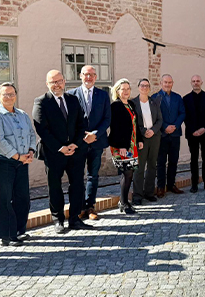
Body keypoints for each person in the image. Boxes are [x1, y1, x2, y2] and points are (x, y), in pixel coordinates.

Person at [33, 70, 92, 233]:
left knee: (77, 185)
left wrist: (75, 144)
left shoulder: (73, 100)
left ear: (64, 81)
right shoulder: (41, 102)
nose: (57, 85)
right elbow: (42, 129)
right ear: (47, 84)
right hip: (53, 152)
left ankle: (75, 219)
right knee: (55, 187)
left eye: (59, 81)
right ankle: (58, 220)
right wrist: (60, 147)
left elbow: (82, 124)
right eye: (53, 82)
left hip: (75, 151)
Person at [0, 82, 38, 246]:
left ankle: (18, 231)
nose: (9, 97)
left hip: (22, 162)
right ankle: (6, 235)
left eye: (12, 94)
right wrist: (17, 156)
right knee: (4, 199)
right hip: (4, 162)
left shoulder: (22, 114)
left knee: (22, 198)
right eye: (5, 94)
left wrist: (31, 151)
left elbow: (31, 134)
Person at [68, 66, 111, 221]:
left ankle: (90, 206)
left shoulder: (103, 95)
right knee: (77, 176)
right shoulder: (71, 94)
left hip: (96, 142)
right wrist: (82, 136)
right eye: (86, 74)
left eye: (92, 75)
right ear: (80, 76)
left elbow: (107, 118)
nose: (89, 77)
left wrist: (95, 134)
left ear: (96, 77)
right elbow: (70, 120)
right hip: (79, 143)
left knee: (93, 175)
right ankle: (79, 207)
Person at [108, 79, 144, 215]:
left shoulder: (131, 104)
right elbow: (116, 128)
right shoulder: (115, 106)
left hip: (131, 145)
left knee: (130, 173)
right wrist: (121, 146)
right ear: (117, 91)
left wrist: (139, 139)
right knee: (126, 172)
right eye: (123, 89)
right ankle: (123, 202)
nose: (126, 91)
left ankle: (124, 201)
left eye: (128, 89)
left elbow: (135, 124)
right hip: (121, 146)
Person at [132, 79, 163, 204]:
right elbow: (133, 122)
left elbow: (160, 120)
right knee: (139, 167)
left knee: (152, 165)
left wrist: (153, 130)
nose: (144, 88)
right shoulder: (133, 103)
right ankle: (137, 195)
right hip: (141, 138)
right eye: (142, 85)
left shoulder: (154, 102)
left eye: (147, 86)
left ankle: (149, 193)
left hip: (154, 137)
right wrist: (144, 131)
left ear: (149, 88)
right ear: (138, 87)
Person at [154, 74, 186, 197]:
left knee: (173, 161)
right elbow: (154, 116)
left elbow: (182, 113)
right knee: (161, 162)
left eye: (169, 82)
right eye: (165, 82)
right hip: (161, 135)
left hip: (175, 134)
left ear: (172, 83)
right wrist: (165, 126)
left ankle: (171, 184)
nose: (167, 84)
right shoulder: (155, 98)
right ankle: (161, 187)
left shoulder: (178, 97)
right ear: (161, 83)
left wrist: (175, 126)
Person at [183, 75, 205, 192]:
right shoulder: (185, 99)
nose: (195, 83)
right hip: (192, 134)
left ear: (201, 82)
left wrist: (204, 128)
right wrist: (193, 130)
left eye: (197, 81)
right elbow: (185, 117)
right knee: (194, 159)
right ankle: (194, 184)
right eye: (193, 81)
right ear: (191, 83)